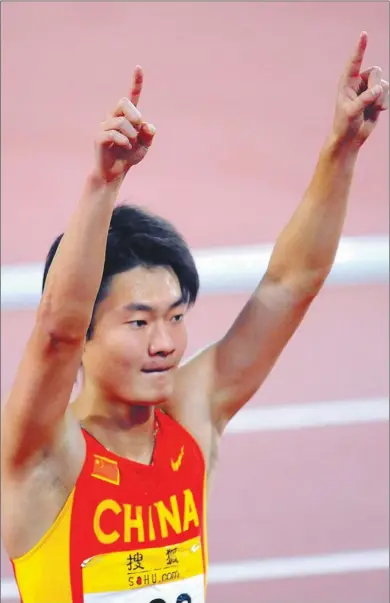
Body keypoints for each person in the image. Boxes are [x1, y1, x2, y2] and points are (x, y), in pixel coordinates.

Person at [1, 32, 388, 603]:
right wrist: (103, 186)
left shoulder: (192, 416)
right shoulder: (45, 458)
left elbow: (291, 283)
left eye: (175, 316)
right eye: (138, 322)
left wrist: (342, 149)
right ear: (87, 336)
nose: (165, 343)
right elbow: (56, 332)